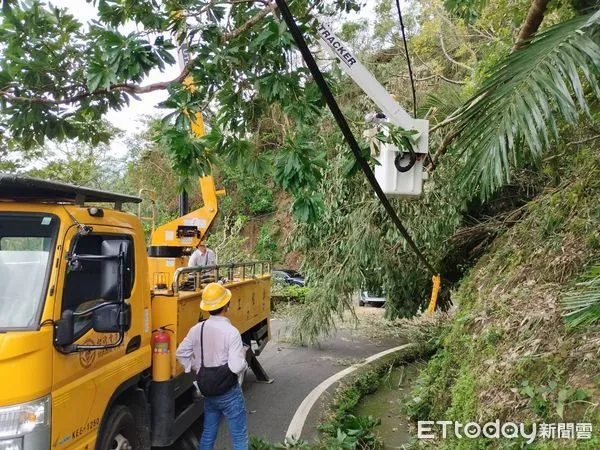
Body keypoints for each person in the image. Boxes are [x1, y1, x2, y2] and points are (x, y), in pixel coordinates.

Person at [176, 283, 249, 450]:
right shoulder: (231, 332)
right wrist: (243, 358)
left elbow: (181, 353)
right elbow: (237, 366)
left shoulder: (197, 329)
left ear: (206, 308)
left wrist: (195, 367)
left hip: (208, 390)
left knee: (208, 433)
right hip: (229, 392)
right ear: (227, 305)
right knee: (239, 437)